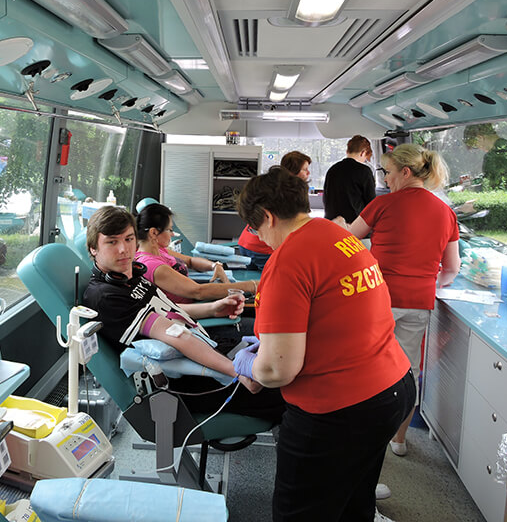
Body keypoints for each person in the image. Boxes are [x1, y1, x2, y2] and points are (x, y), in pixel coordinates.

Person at [233, 166, 415, 522]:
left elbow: (277, 370)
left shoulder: (288, 259)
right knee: (352, 503)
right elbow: (335, 313)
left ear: (267, 217)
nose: (261, 239)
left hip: (341, 410)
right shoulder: (337, 234)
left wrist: (250, 363)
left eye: (256, 229)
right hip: (391, 389)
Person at [83, 206, 285, 421]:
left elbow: (165, 312)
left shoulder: (129, 275)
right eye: (112, 242)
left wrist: (213, 309)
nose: (124, 249)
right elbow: (174, 333)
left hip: (203, 350)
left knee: (280, 357)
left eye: (129, 239)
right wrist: (238, 371)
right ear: (93, 248)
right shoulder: (106, 296)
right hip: (183, 382)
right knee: (285, 389)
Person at [334, 143, 461, 456]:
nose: (386, 179)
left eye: (388, 172)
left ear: (405, 172)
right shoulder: (446, 212)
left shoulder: (383, 204)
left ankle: (361, 435)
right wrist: (429, 282)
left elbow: (348, 239)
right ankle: (399, 439)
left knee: (366, 365)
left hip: (379, 301)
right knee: (406, 371)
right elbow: (451, 269)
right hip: (419, 303)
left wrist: (338, 226)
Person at [135, 203, 258, 303]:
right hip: (193, 313)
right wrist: (251, 286)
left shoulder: (159, 250)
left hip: (202, 302)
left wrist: (214, 266)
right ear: (153, 233)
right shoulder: (153, 266)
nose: (172, 234)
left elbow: (190, 261)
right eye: (170, 230)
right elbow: (198, 292)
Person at [237, 150, 312, 269]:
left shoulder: (272, 189)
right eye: (305, 169)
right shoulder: (288, 196)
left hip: (245, 243)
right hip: (259, 250)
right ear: (293, 171)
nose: (308, 173)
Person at [323, 134, 376, 223]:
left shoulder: (333, 169)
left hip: (332, 222)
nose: (364, 161)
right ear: (363, 152)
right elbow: (371, 202)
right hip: (354, 223)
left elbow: (326, 198)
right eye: (365, 158)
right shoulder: (364, 170)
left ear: (347, 151)